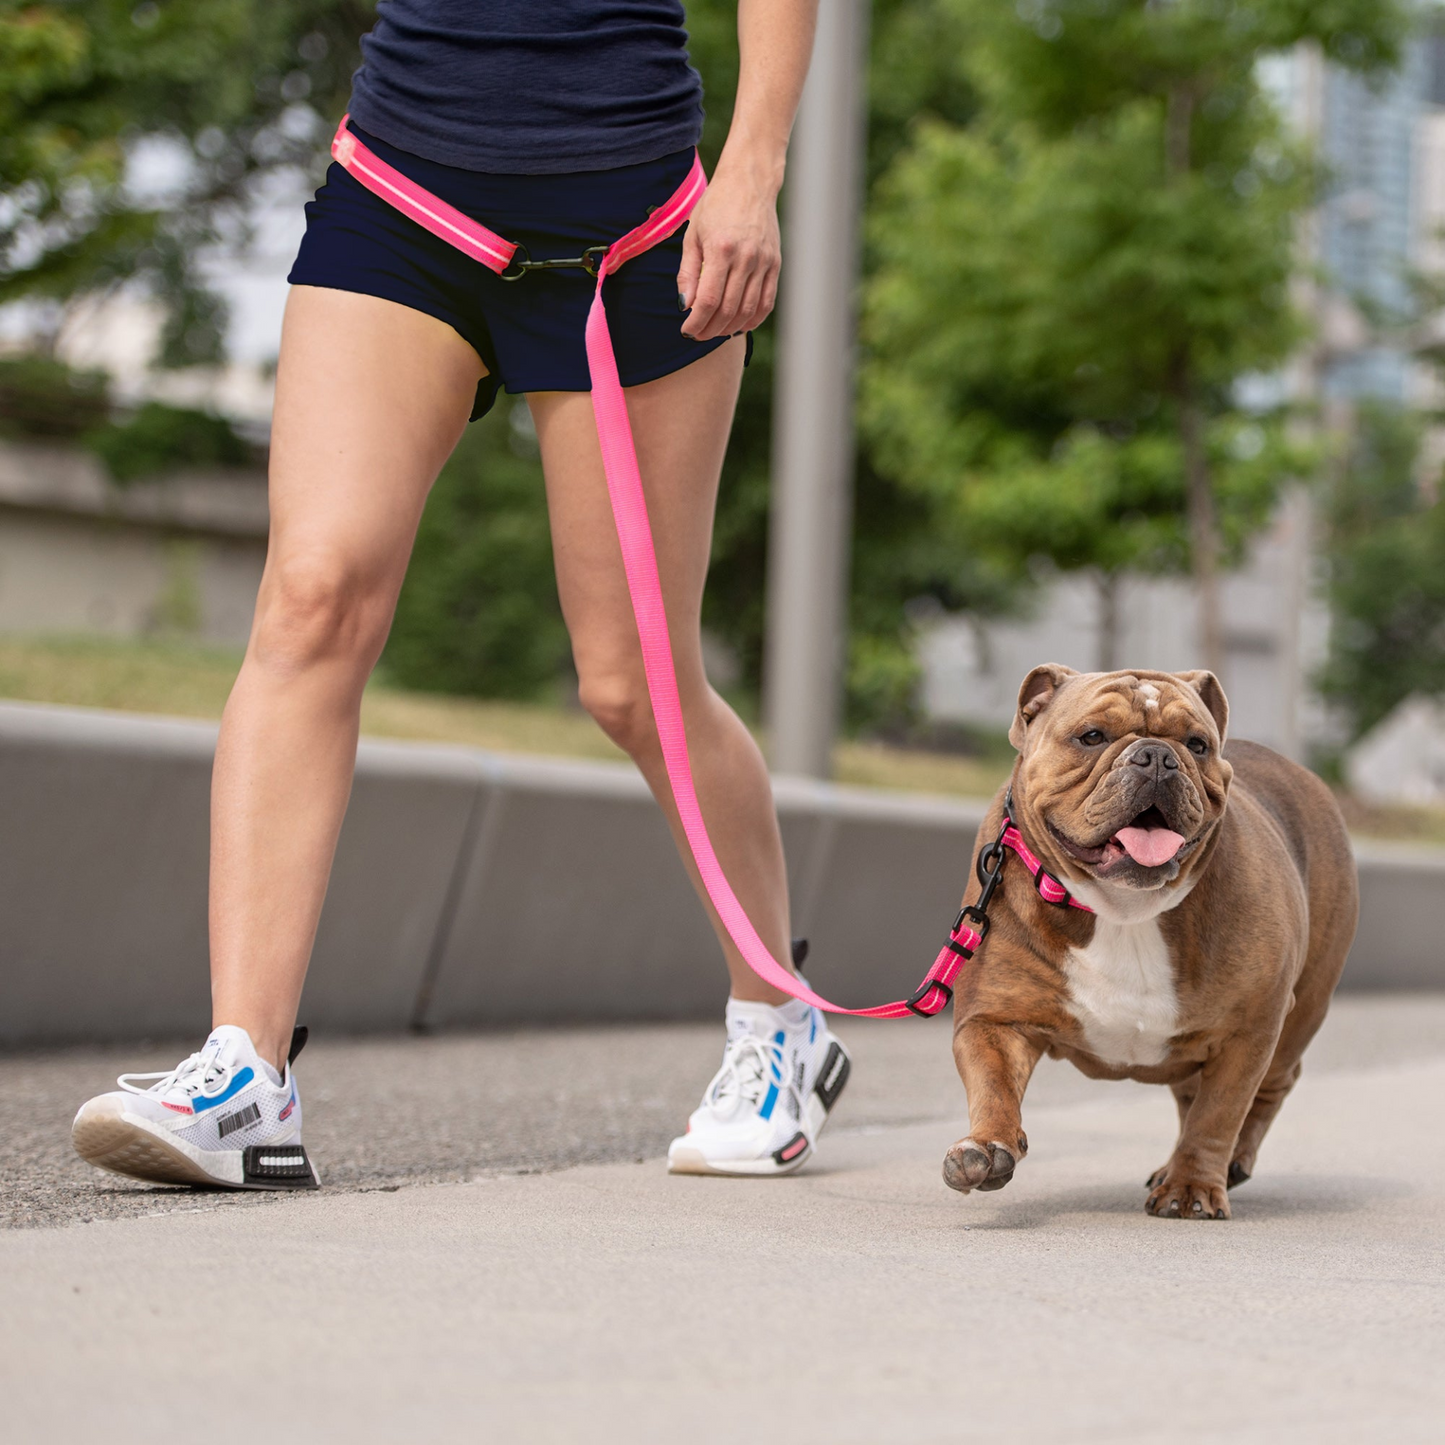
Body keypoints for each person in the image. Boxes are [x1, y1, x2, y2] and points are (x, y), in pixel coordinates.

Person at [72, 0, 850, 1190]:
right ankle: (245, 1069)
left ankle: (776, 1021)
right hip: (405, 196)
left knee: (632, 680)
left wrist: (751, 172)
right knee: (312, 596)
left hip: (631, 234)